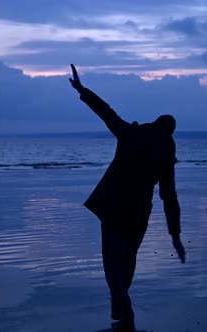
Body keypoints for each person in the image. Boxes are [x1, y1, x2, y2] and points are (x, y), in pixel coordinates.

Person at [69, 64, 185, 331]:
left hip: (112, 205)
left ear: (154, 123)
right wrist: (175, 235)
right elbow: (169, 197)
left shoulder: (131, 134)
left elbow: (106, 113)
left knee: (112, 259)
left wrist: (82, 90)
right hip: (138, 211)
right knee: (128, 258)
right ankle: (121, 303)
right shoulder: (166, 155)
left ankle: (122, 304)